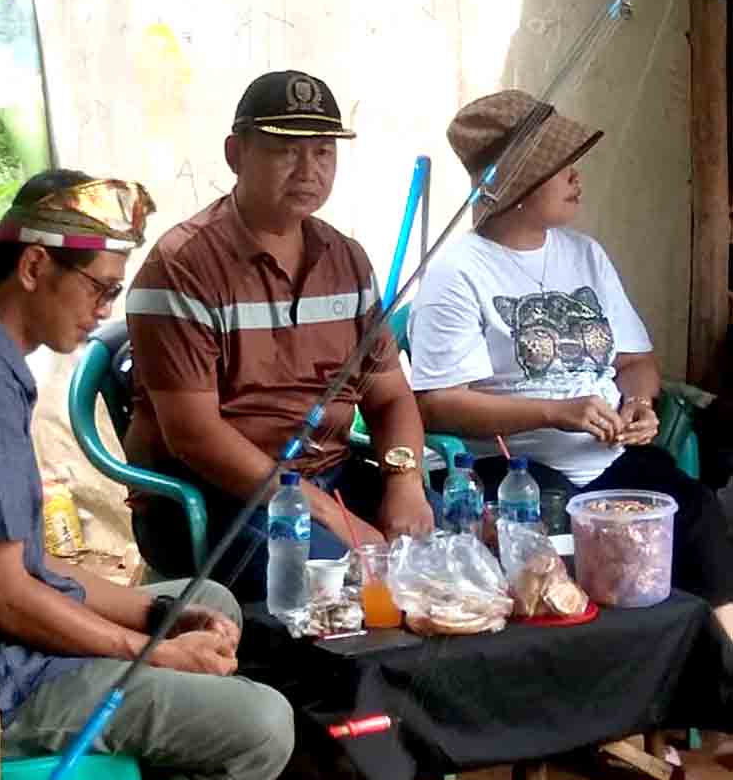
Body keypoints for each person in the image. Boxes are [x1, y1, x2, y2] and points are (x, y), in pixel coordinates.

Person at [0, 169, 294, 780]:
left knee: (210, 603)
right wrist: (149, 650)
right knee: (263, 727)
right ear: (35, 266)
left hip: (6, 633)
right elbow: (2, 596)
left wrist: (157, 614)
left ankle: (132, 774)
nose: (105, 310)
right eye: (100, 288)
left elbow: (29, 564)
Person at [409, 89, 733, 645]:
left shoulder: (585, 253)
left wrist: (638, 405)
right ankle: (609, 714)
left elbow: (636, 362)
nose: (576, 177)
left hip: (608, 459)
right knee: (558, 541)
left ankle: (721, 698)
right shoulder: (458, 272)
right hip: (517, 471)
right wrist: (554, 412)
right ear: (512, 182)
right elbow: (437, 402)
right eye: (559, 167)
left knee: (696, 511)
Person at [125, 70, 439, 601]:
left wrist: (403, 481)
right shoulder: (183, 265)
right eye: (285, 151)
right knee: (347, 589)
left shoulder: (346, 259)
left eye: (323, 153)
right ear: (234, 153)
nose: (308, 171)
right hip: (217, 496)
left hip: (331, 474)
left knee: (463, 554)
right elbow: (195, 437)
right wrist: (330, 517)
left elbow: (390, 396)